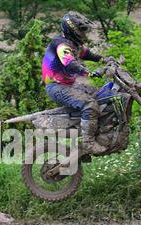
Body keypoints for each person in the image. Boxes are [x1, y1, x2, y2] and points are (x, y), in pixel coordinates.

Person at [42, 11, 112, 154]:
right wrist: (90, 72)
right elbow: (70, 64)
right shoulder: (62, 45)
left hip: (67, 84)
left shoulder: (73, 43)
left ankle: (101, 130)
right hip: (56, 87)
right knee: (90, 105)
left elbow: (87, 54)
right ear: (73, 29)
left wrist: (105, 59)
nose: (84, 33)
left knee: (102, 94)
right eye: (82, 30)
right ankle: (88, 143)